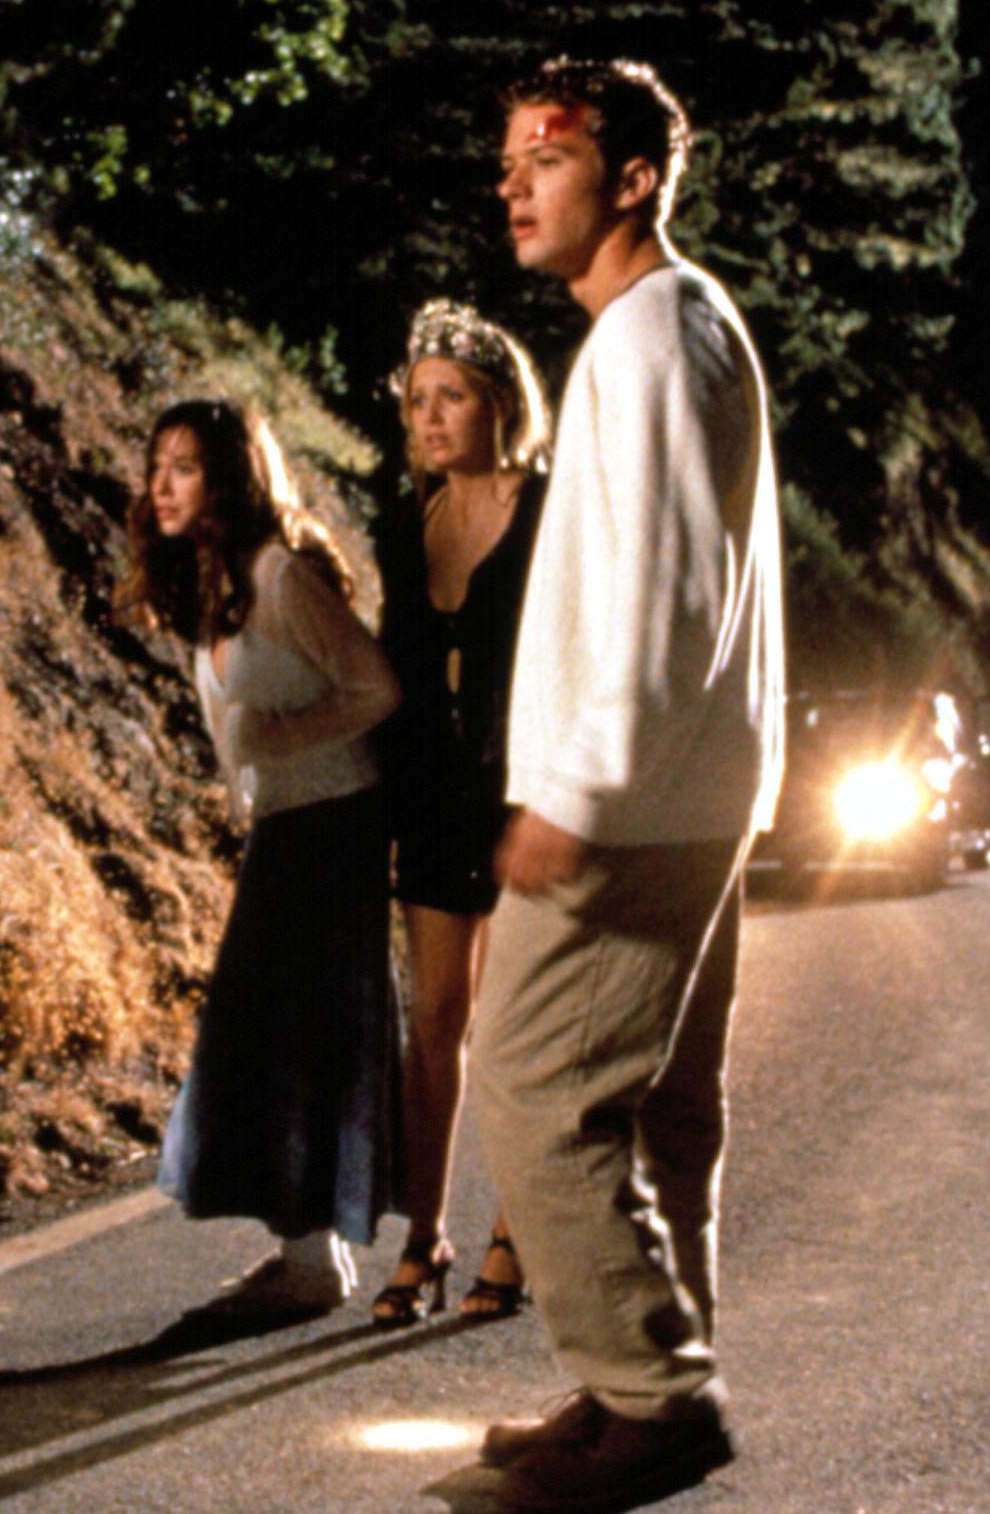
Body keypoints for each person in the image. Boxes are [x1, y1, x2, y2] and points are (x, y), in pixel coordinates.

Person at [467, 59, 784, 1512]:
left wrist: (576, 790)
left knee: (533, 1084)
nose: (513, 184)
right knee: (658, 1109)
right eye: (507, 161)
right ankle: (644, 1373)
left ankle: (654, 1397)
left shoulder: (653, 333)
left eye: (545, 156)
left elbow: (661, 594)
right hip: (683, 787)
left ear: (634, 177)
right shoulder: (670, 324)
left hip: (631, 802)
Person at [117, 399, 403, 1313]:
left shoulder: (280, 575)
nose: (162, 485)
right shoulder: (217, 578)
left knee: (290, 1032)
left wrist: (279, 739)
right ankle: (310, 1253)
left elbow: (375, 687)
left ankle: (313, 1260)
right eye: (157, 465)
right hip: (287, 822)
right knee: (278, 1032)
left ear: (231, 479)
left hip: (332, 821)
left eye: (185, 467)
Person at [368, 300, 551, 1327]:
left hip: (525, 796)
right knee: (434, 1020)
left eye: (452, 397)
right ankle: (423, 1235)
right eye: (417, 400)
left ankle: (514, 1231)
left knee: (517, 1027)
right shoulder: (405, 522)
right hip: (431, 793)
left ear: (499, 404)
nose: (430, 417)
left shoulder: (550, 510)